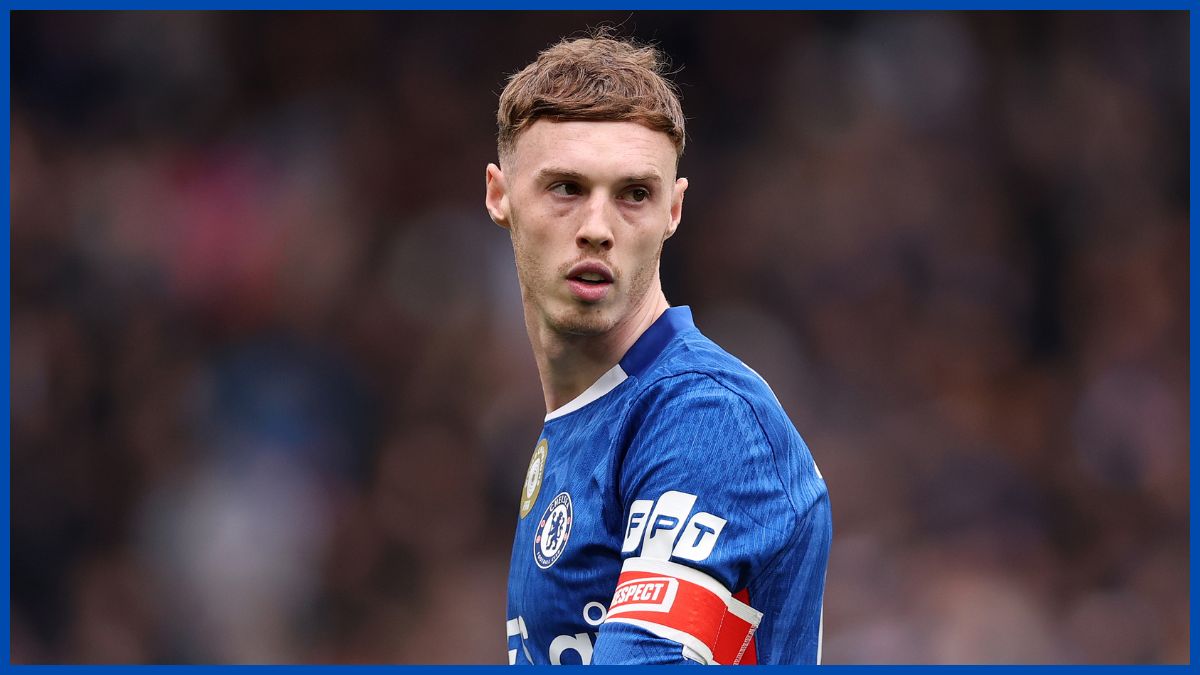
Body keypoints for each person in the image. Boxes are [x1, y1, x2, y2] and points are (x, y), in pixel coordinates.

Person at [485, 30, 832, 665]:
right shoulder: (584, 418)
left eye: (633, 195)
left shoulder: (704, 418)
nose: (597, 228)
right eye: (565, 188)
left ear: (673, 210)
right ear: (500, 195)